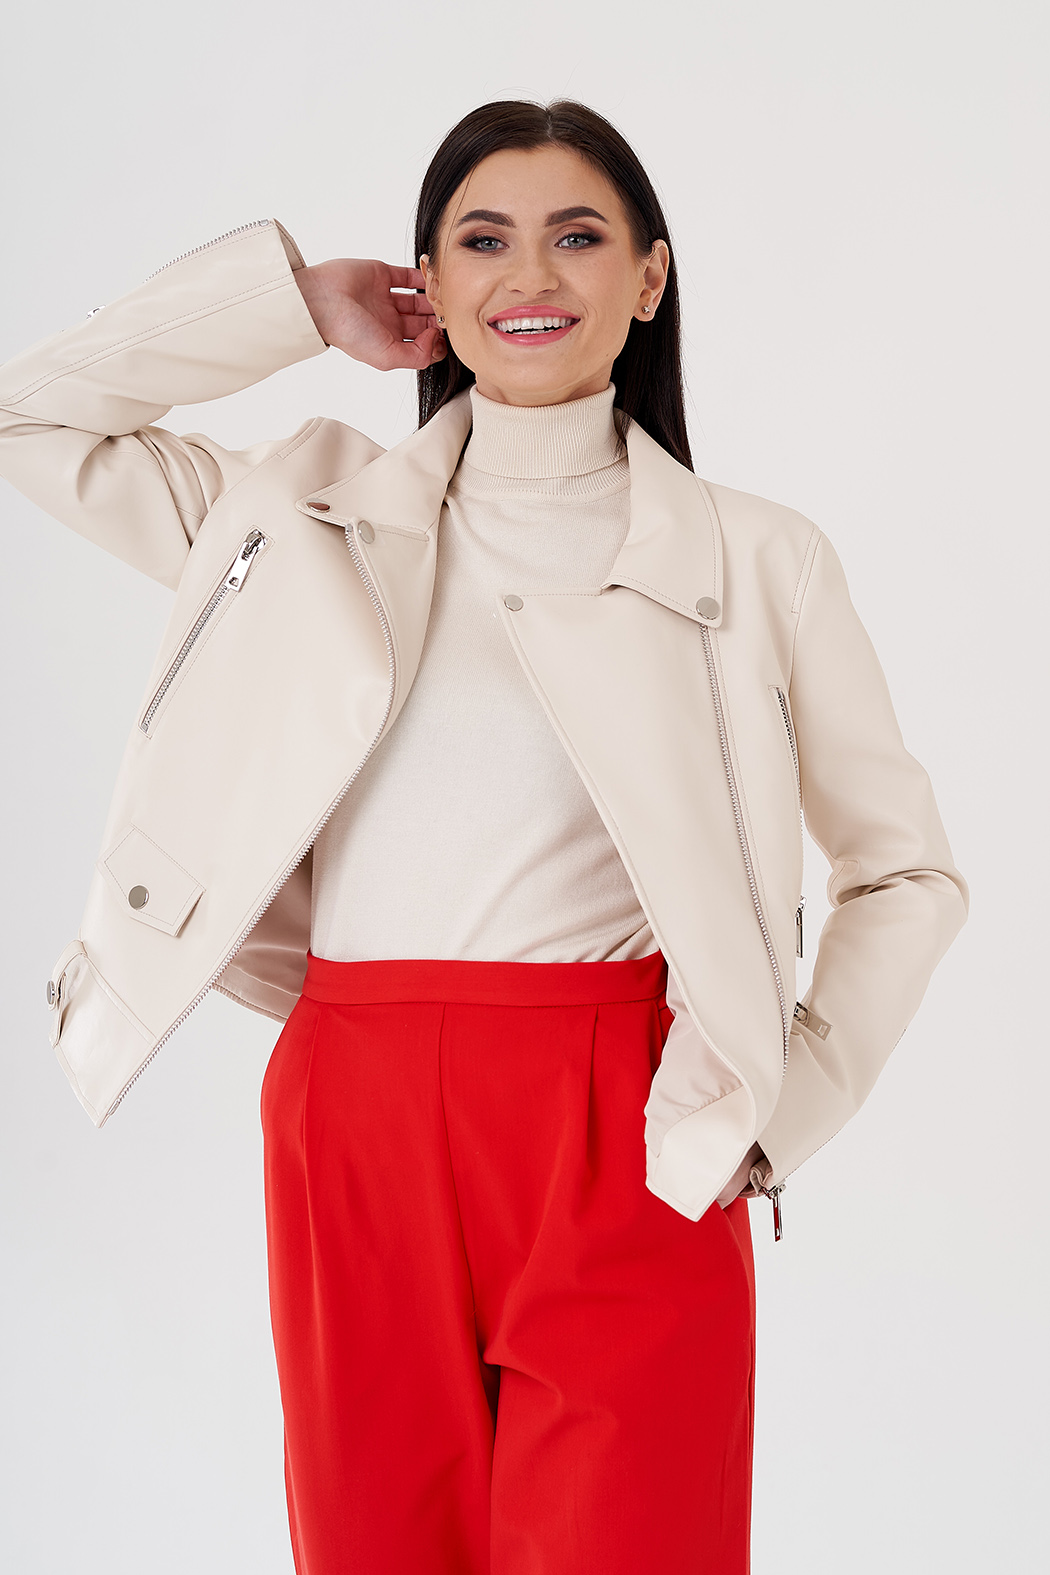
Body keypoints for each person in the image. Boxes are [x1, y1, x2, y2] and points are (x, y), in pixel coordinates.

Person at [0, 99, 967, 1574]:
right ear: (431, 288)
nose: (531, 275)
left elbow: (902, 869)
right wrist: (291, 304)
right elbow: (31, 416)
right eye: (482, 241)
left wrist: (777, 1117)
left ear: (648, 276)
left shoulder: (759, 556)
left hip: (628, 1118)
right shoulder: (293, 518)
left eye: (578, 236)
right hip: (355, 1115)